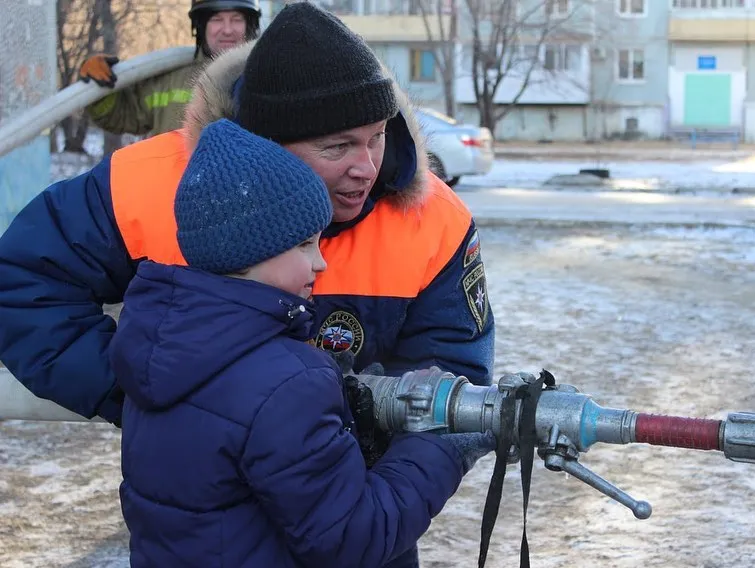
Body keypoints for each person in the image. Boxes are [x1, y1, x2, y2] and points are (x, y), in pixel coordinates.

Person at [0, 2, 492, 445]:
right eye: (337, 147)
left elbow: (454, 373)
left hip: (361, 502)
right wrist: (136, 394)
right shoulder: (148, 184)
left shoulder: (435, 220)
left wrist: (387, 496)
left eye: (377, 137)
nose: (366, 167)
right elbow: (25, 285)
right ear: (264, 144)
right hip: (198, 503)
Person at [111, 117, 495, 567]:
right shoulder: (290, 382)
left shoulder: (154, 348)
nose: (320, 264)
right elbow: (353, 537)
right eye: (305, 245)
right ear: (249, 250)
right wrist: (441, 445)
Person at [79, 0, 261, 136]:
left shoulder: (268, 76)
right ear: (200, 25)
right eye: (217, 19)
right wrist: (99, 89)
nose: (227, 30)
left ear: (250, 24)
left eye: (236, 19)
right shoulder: (168, 77)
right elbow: (122, 116)